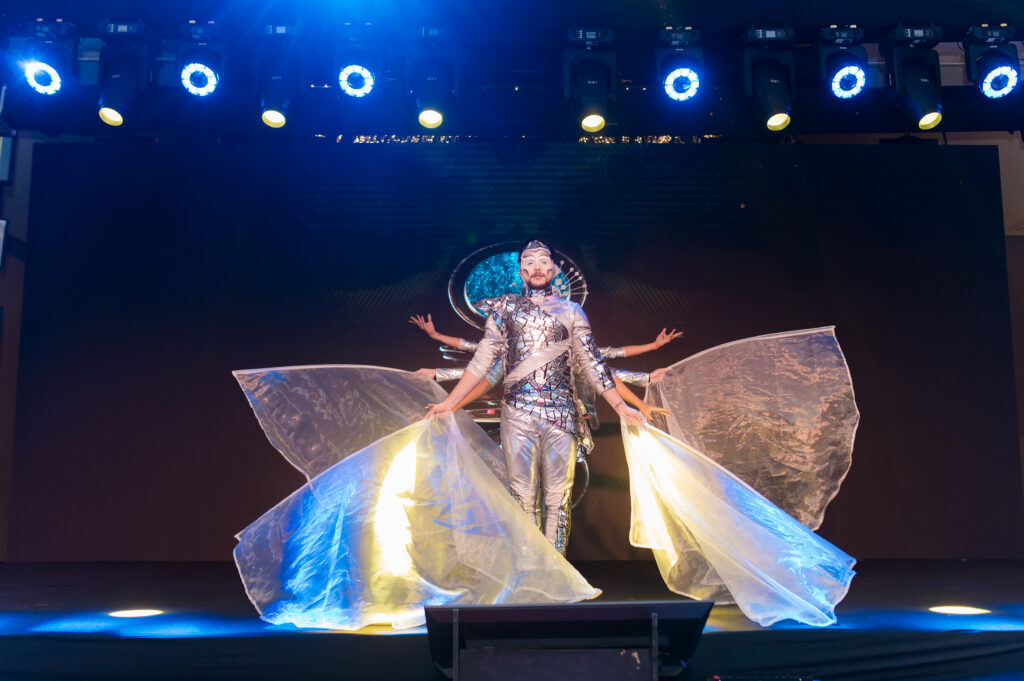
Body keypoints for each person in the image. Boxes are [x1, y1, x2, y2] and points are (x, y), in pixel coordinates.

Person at [426, 240, 645, 553]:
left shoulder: (572, 311)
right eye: (529, 261)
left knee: (559, 498)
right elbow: (482, 361)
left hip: (562, 415)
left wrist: (621, 406)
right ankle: (531, 570)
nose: (537, 267)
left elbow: (592, 362)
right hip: (517, 413)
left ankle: (556, 572)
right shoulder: (504, 308)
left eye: (543, 260)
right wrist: (449, 404)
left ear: (553, 270)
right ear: (521, 272)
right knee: (522, 496)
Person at [409, 314, 681, 424]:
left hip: (565, 418)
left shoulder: (569, 351)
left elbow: (607, 368)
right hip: (524, 420)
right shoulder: (512, 352)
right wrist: (449, 400)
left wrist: (645, 379)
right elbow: (480, 369)